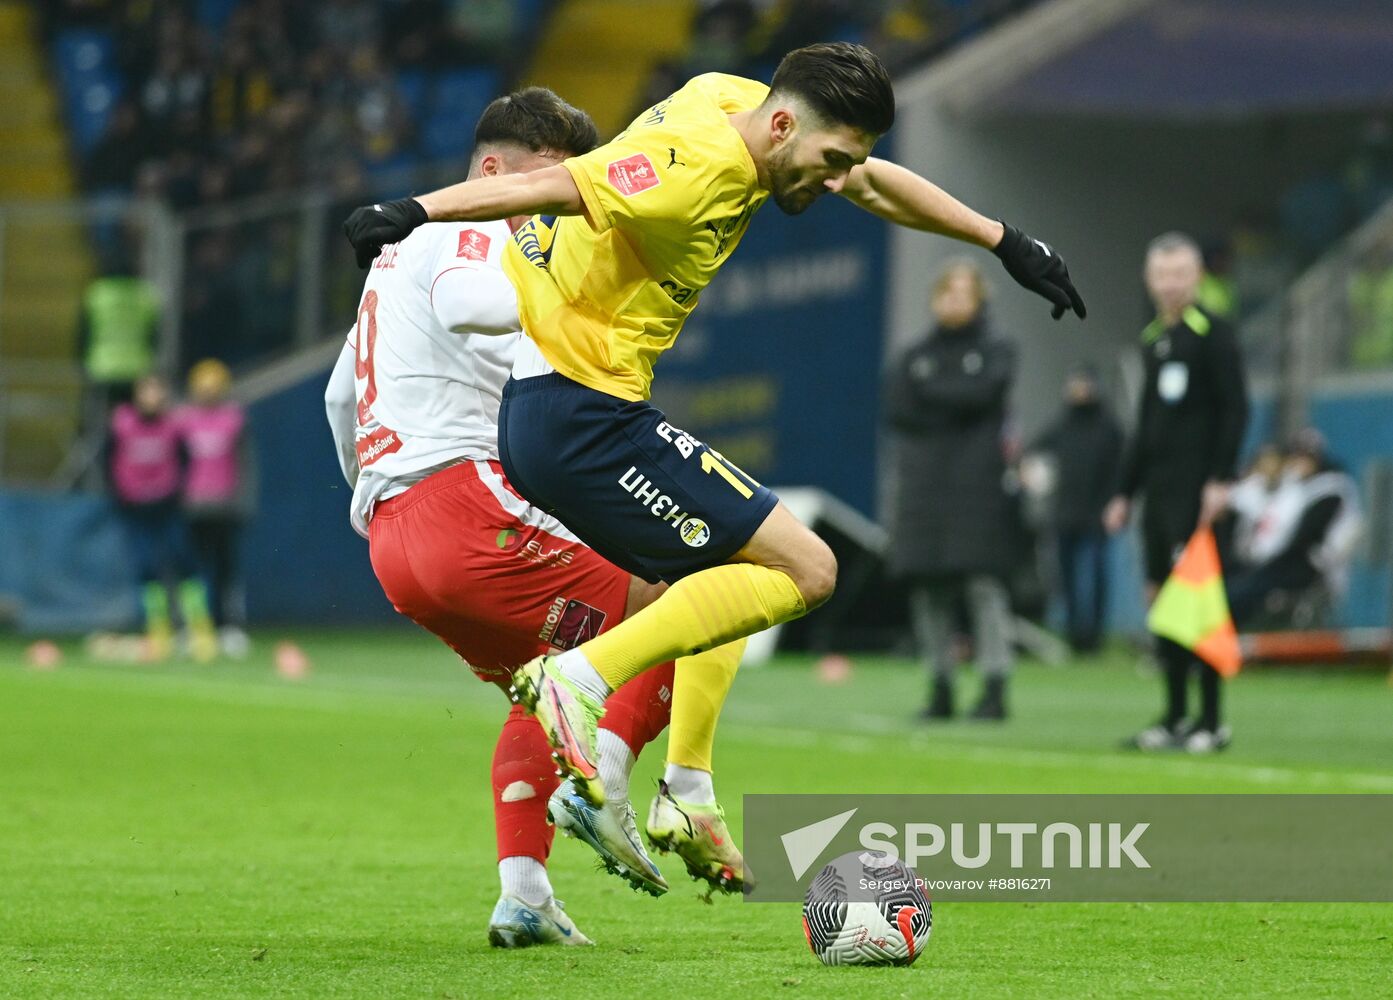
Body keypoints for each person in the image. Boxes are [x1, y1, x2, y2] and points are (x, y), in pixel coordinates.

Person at [343, 42, 1085, 885]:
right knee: (808, 569)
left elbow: (876, 182)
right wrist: (416, 207)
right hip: (579, 415)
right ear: (778, 125)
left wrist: (1004, 240)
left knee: (733, 577)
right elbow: (552, 185)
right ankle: (579, 682)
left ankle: (684, 787)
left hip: (568, 411)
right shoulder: (691, 169)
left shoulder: (739, 100)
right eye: (831, 160)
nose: (839, 180)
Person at [326, 88, 746, 944]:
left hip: (399, 534)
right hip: (467, 506)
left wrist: (367, 500)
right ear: (491, 172)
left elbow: (341, 396)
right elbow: (469, 304)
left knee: (541, 691)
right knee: (712, 593)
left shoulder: (387, 268)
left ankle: (523, 893)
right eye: (543, 187)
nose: (551, 211)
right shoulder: (460, 231)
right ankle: (622, 780)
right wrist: (573, 312)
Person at [1104, 232, 1248, 754]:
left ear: (1197, 278)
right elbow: (1146, 426)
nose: (1170, 284)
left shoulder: (1214, 334)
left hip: (1196, 493)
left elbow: (1235, 410)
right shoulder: (1152, 339)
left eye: (1180, 274)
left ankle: (1211, 721)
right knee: (1162, 605)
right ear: (1150, 280)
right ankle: (1172, 718)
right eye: (1162, 275)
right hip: (1158, 497)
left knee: (1199, 607)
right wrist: (1124, 492)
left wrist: (1220, 479)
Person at [882, 260, 1018, 720]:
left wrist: (936, 393)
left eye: (965, 293)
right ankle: (940, 686)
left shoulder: (997, 347)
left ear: (980, 299)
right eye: (947, 292)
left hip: (977, 486)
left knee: (983, 585)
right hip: (924, 486)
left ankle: (995, 687)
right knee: (928, 588)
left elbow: (985, 394)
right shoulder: (913, 354)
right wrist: (959, 400)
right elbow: (899, 408)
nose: (954, 301)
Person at [107, 374, 217, 661]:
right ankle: (158, 631)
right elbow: (109, 461)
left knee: (184, 561)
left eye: (157, 391)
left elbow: (186, 460)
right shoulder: (122, 424)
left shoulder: (174, 426)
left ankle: (200, 629)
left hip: (167, 505)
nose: (152, 397)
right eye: (147, 391)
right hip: (136, 508)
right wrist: (122, 495)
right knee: (146, 567)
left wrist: (176, 492)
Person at [1030, 363, 1124, 654]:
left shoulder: (1109, 428)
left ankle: (1093, 636)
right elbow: (1034, 453)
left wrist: (1116, 502)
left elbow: (1120, 469)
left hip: (1096, 513)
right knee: (1066, 576)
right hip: (1065, 513)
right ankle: (1073, 634)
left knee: (1095, 575)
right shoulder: (1061, 425)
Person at [1226, 431, 1362, 628]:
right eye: (1297, 455)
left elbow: (1305, 539)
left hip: (1311, 566)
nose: (1301, 462)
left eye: (1307, 456)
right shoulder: (1295, 486)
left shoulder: (1330, 488)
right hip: (1281, 560)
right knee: (1236, 584)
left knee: (1245, 591)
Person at [177, 359, 254, 657]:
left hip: (225, 507)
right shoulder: (184, 421)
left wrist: (243, 502)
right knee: (191, 573)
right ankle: (194, 627)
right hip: (192, 507)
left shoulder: (234, 419)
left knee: (227, 571)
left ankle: (229, 627)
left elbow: (246, 465)